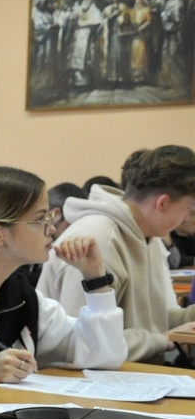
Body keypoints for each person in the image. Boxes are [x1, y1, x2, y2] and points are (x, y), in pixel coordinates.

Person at [0, 165, 125, 382]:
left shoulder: (23, 297)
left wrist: (95, 277)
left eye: (50, 218)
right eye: (40, 219)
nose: (52, 228)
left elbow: (104, 355)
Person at [38, 145, 195, 364]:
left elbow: (151, 319)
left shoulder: (146, 234)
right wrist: (162, 340)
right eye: (189, 209)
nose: (187, 217)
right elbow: (82, 343)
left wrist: (188, 318)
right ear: (163, 203)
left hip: (130, 370)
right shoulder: (98, 239)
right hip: (81, 377)